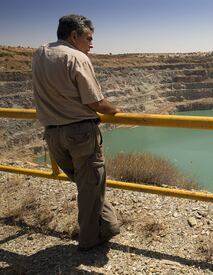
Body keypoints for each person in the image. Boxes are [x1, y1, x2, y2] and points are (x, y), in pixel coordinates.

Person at [32, 14, 121, 251]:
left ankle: (107, 225)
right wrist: (115, 110)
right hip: (80, 134)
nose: (92, 44)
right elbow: (96, 102)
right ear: (74, 35)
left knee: (87, 184)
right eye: (89, 38)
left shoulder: (40, 53)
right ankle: (90, 240)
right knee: (91, 183)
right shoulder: (76, 57)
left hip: (53, 135)